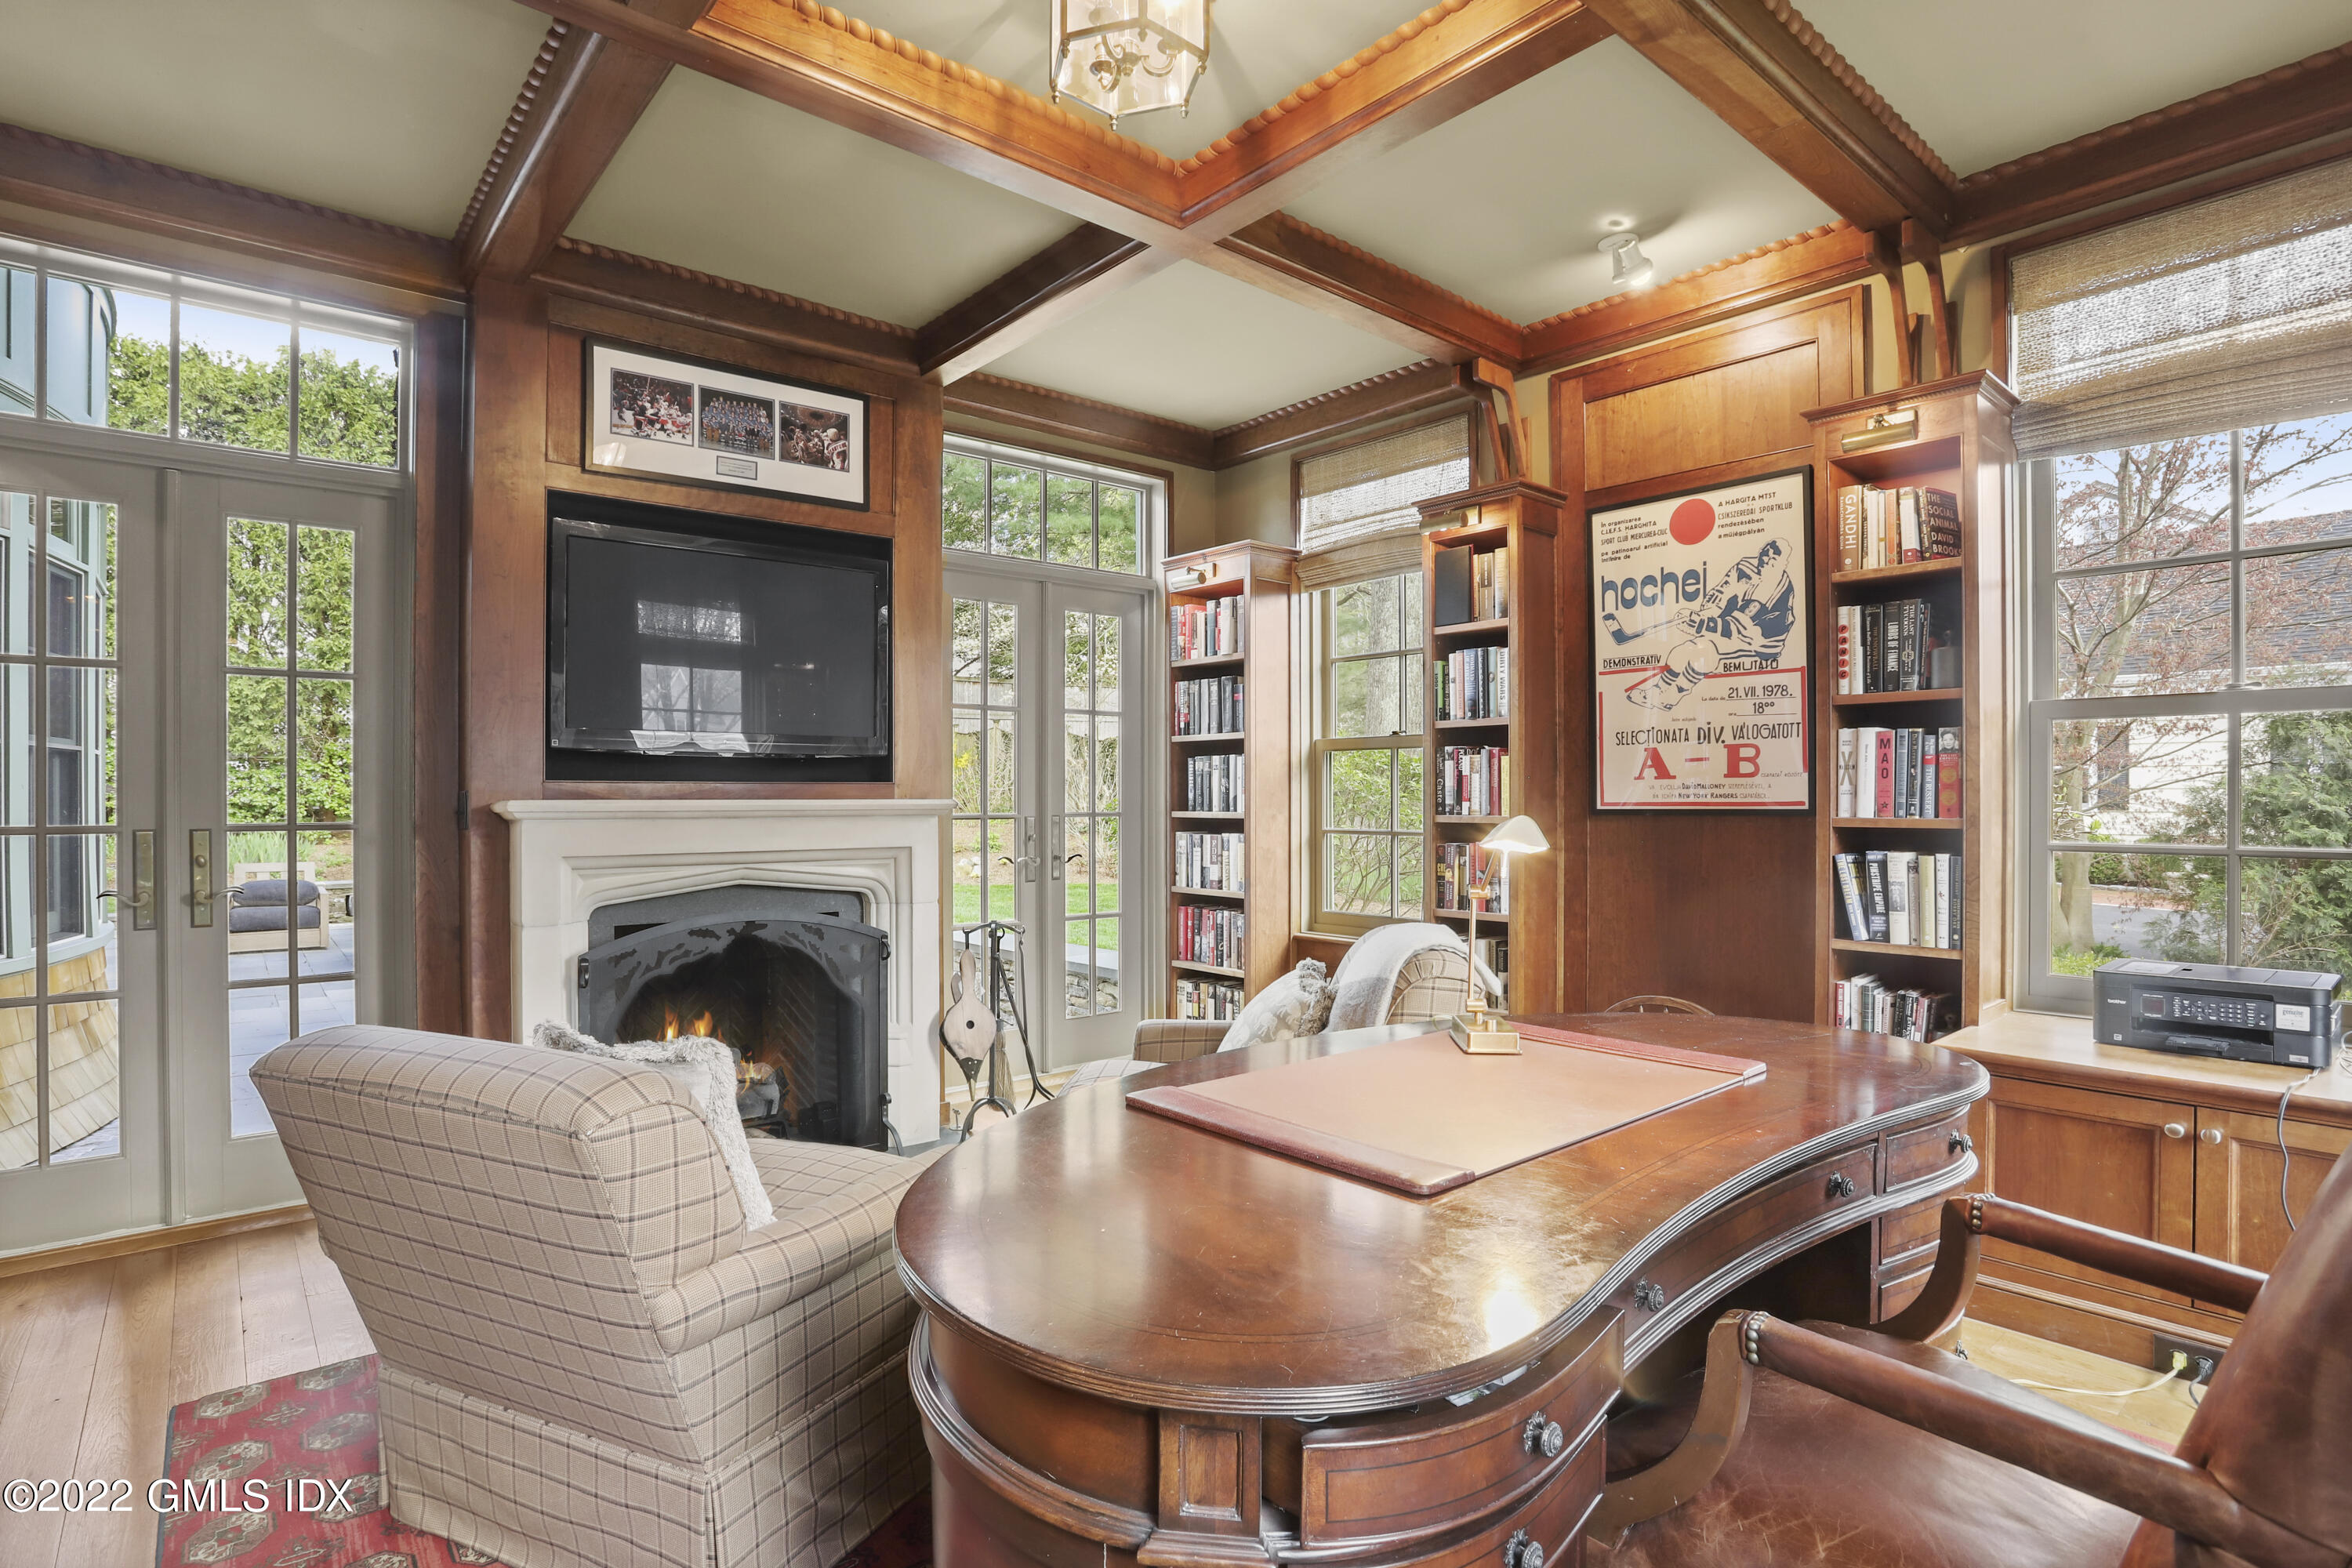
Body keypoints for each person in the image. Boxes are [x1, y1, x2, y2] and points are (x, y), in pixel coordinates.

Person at [1609, 538, 1797, 711]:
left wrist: (1702, 624)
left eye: (1774, 559)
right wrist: (1699, 616)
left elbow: (1737, 629)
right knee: (1681, 651)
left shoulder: (1775, 587)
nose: (1766, 561)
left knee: (1706, 650)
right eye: (1765, 554)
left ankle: (1673, 696)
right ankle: (1659, 691)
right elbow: (1719, 597)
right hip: (1730, 625)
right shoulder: (1745, 565)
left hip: (1760, 641)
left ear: (1784, 564)